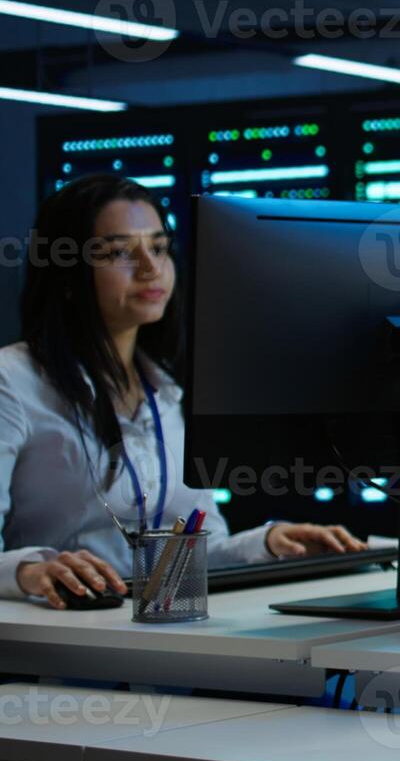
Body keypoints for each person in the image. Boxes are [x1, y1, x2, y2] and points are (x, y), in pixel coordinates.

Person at [1, 175, 366, 608]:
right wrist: (29, 571)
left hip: (154, 636)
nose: (151, 268)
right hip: (53, 638)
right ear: (65, 271)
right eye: (120, 251)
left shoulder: (168, 390)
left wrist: (267, 543)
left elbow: (192, 548)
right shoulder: (13, 380)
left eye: (158, 248)